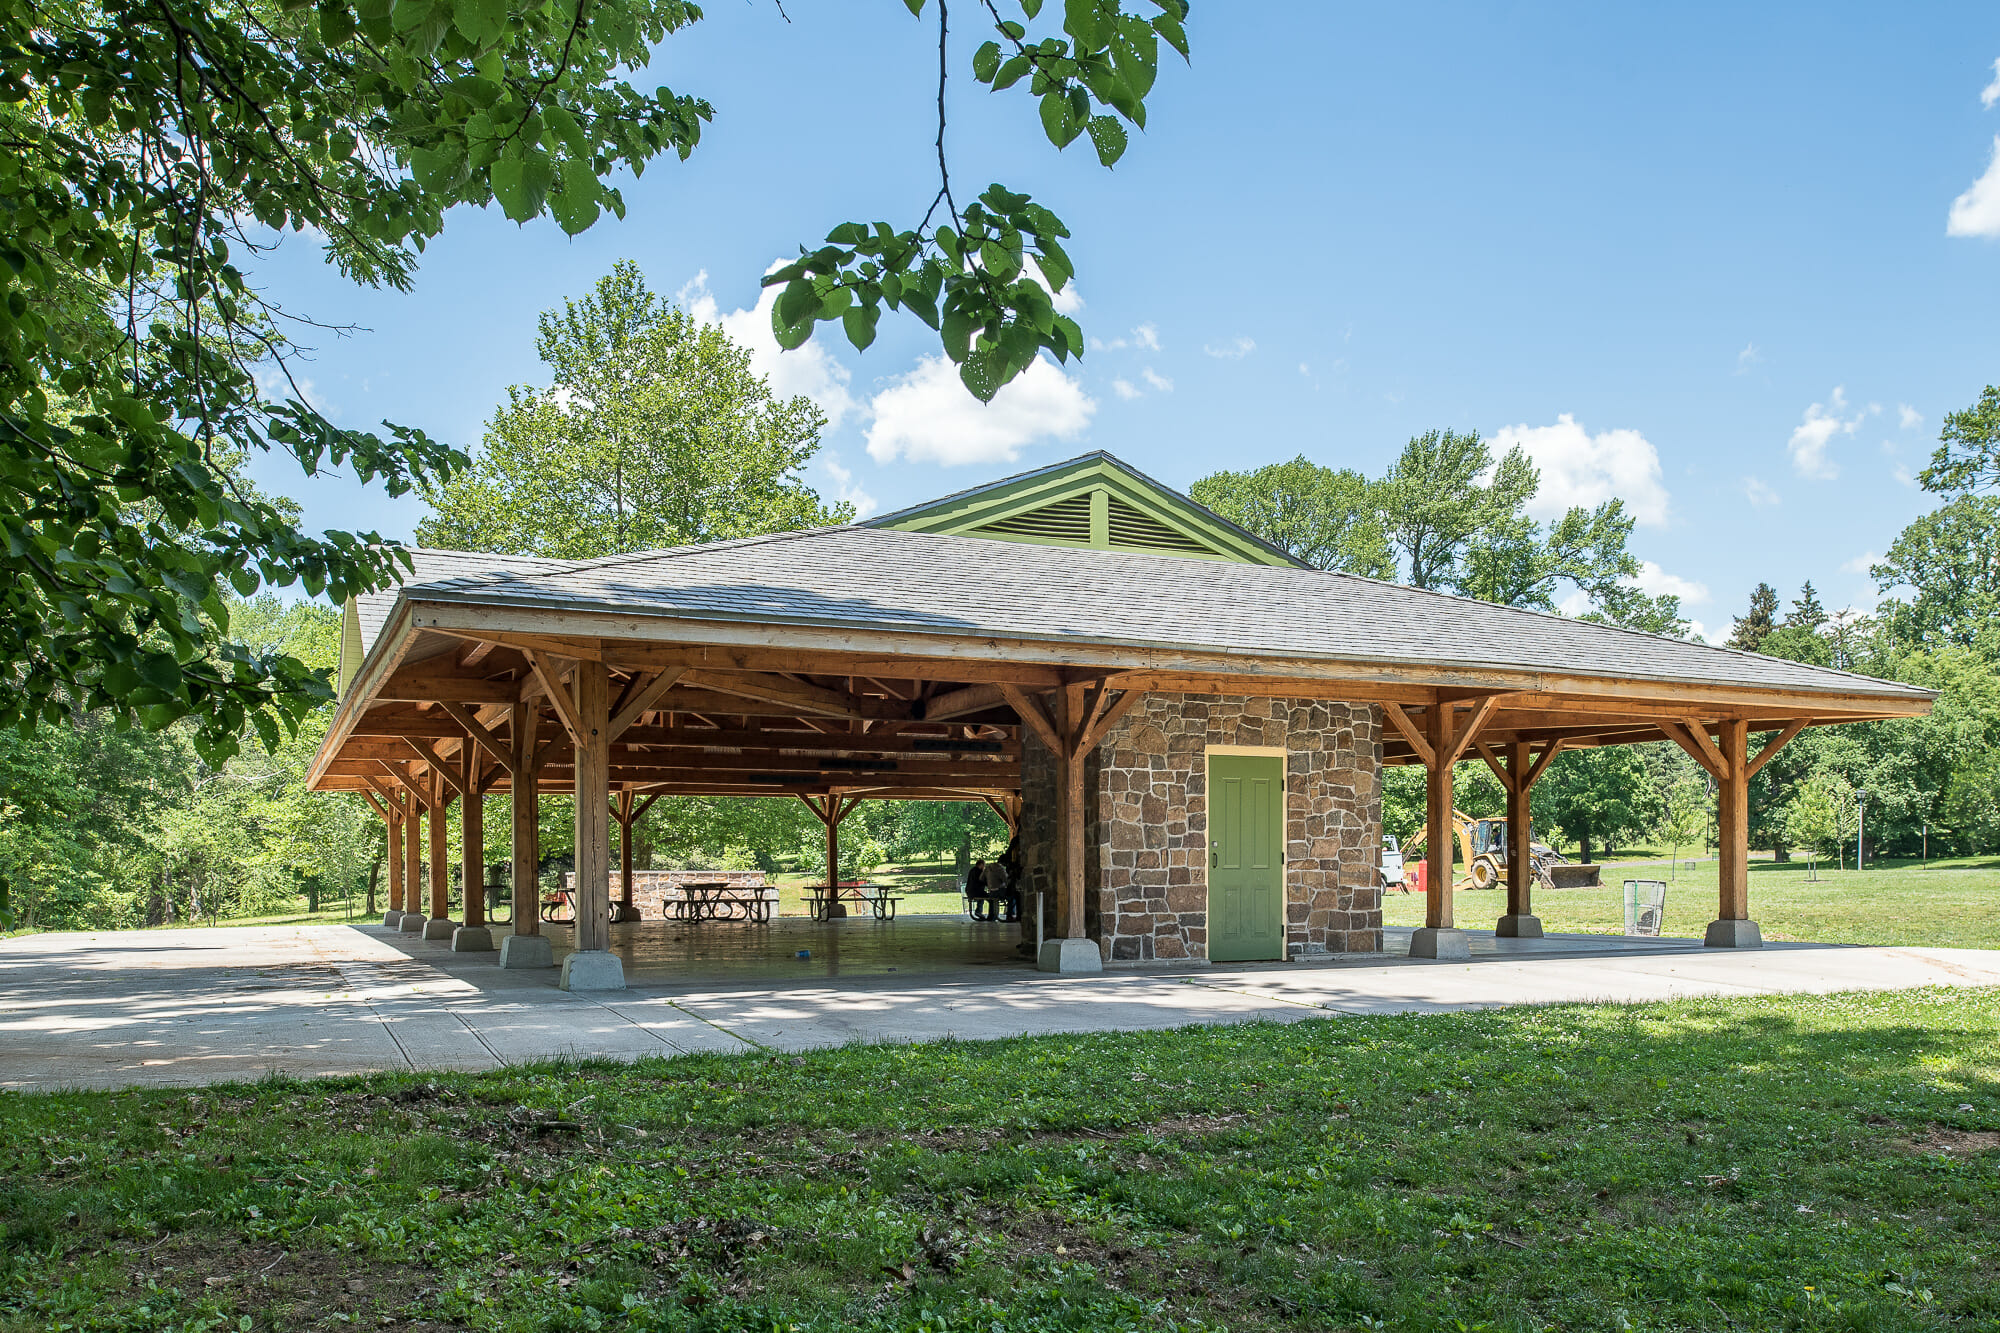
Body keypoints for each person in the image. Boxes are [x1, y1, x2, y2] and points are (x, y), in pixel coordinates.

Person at [984, 855, 1017, 923]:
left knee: (992, 900)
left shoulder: (988, 867)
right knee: (1012, 898)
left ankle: (991, 916)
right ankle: (1009, 915)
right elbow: (1006, 880)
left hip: (991, 891)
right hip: (999, 891)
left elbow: (981, 878)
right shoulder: (1000, 868)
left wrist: (989, 884)